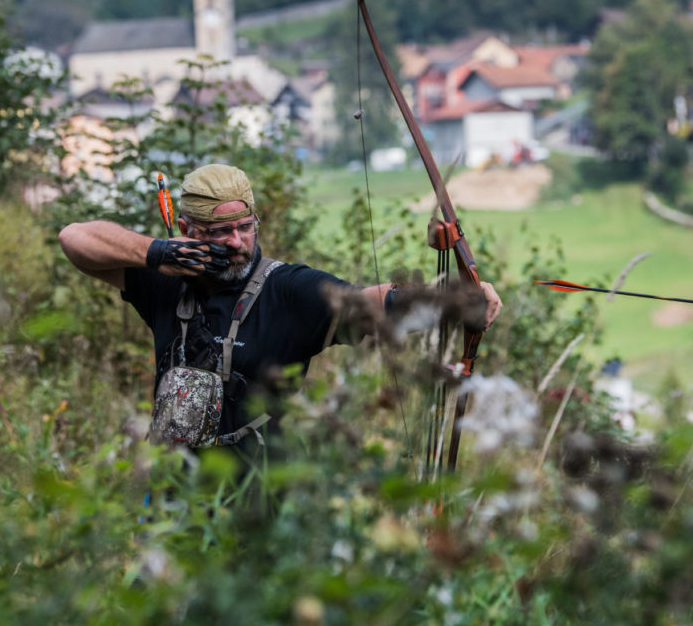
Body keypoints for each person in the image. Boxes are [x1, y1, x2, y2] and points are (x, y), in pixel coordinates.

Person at [58, 163, 502, 455]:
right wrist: (157, 253)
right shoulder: (166, 280)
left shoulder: (288, 290)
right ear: (186, 230)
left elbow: (373, 302)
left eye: (243, 227)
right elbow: (75, 239)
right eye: (218, 232)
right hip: (176, 496)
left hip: (257, 500)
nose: (235, 242)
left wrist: (456, 301)